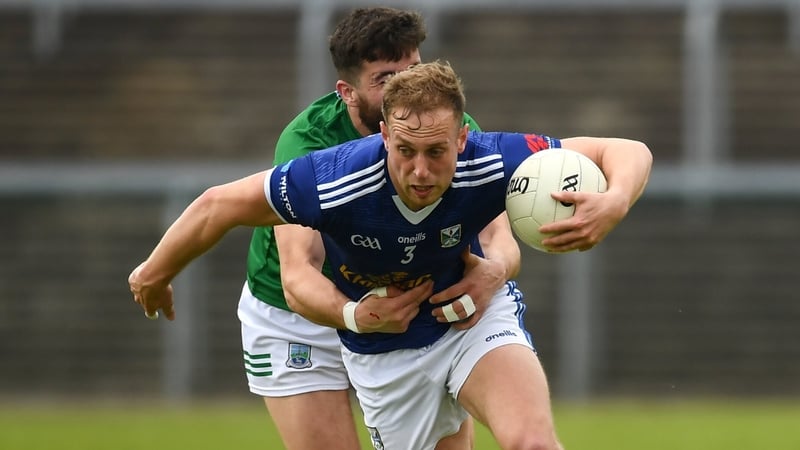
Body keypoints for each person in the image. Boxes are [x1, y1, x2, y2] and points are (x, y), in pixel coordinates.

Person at [129, 60, 652, 449]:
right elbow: (218, 205)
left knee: (533, 442)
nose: (420, 171)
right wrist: (155, 273)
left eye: (436, 152)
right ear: (383, 136)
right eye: (405, 151)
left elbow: (625, 151)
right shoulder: (332, 179)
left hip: (472, 325)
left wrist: (614, 201)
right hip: (386, 354)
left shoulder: (495, 156)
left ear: (462, 139)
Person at [241, 7, 512, 450]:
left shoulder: (444, 128)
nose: (408, 88)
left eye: (414, 69)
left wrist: (494, 270)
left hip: (403, 304)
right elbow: (297, 276)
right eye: (387, 78)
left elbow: (499, 238)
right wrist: (355, 316)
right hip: (299, 319)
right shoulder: (306, 143)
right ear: (346, 92)